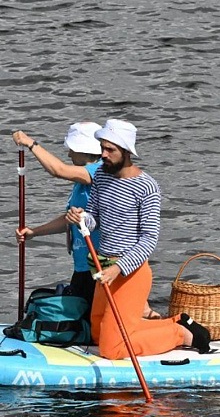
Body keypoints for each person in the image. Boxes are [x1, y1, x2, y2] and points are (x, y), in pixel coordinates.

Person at [64, 119, 211, 359]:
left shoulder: (146, 187)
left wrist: (119, 268)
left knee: (111, 349)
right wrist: (81, 218)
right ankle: (175, 321)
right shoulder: (101, 175)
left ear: (126, 151)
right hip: (103, 267)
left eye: (110, 149)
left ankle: (179, 334)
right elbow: (94, 218)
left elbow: (149, 239)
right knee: (98, 334)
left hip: (130, 273)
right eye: (102, 147)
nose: (103, 154)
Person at [12, 124, 160, 319]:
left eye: (72, 149)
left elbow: (58, 170)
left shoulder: (97, 172)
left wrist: (31, 143)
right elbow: (82, 218)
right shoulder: (95, 178)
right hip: (88, 264)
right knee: (91, 326)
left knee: (110, 327)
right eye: (103, 148)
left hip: (111, 264)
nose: (68, 154)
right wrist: (35, 232)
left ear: (83, 150)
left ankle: (171, 326)